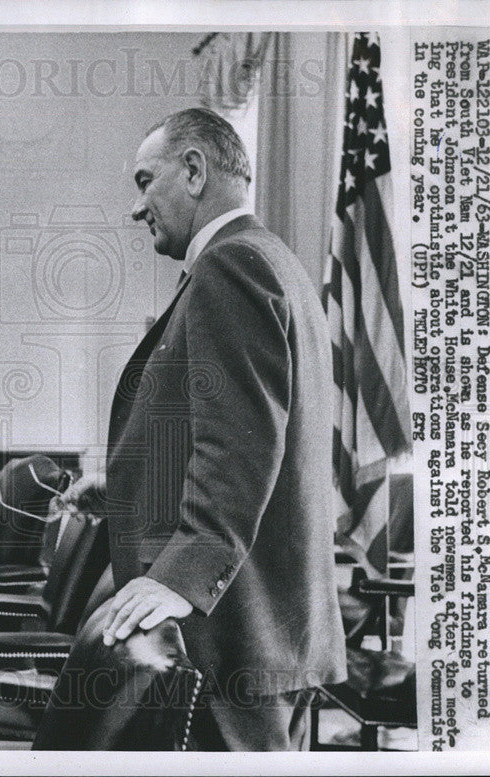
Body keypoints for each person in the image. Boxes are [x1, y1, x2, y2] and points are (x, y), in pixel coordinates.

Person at [101, 108, 346, 751]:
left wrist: (181, 578)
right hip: (270, 626)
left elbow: (238, 446)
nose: (137, 207)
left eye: (144, 181)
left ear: (193, 170)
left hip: (233, 632)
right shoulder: (275, 261)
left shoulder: (230, 267)